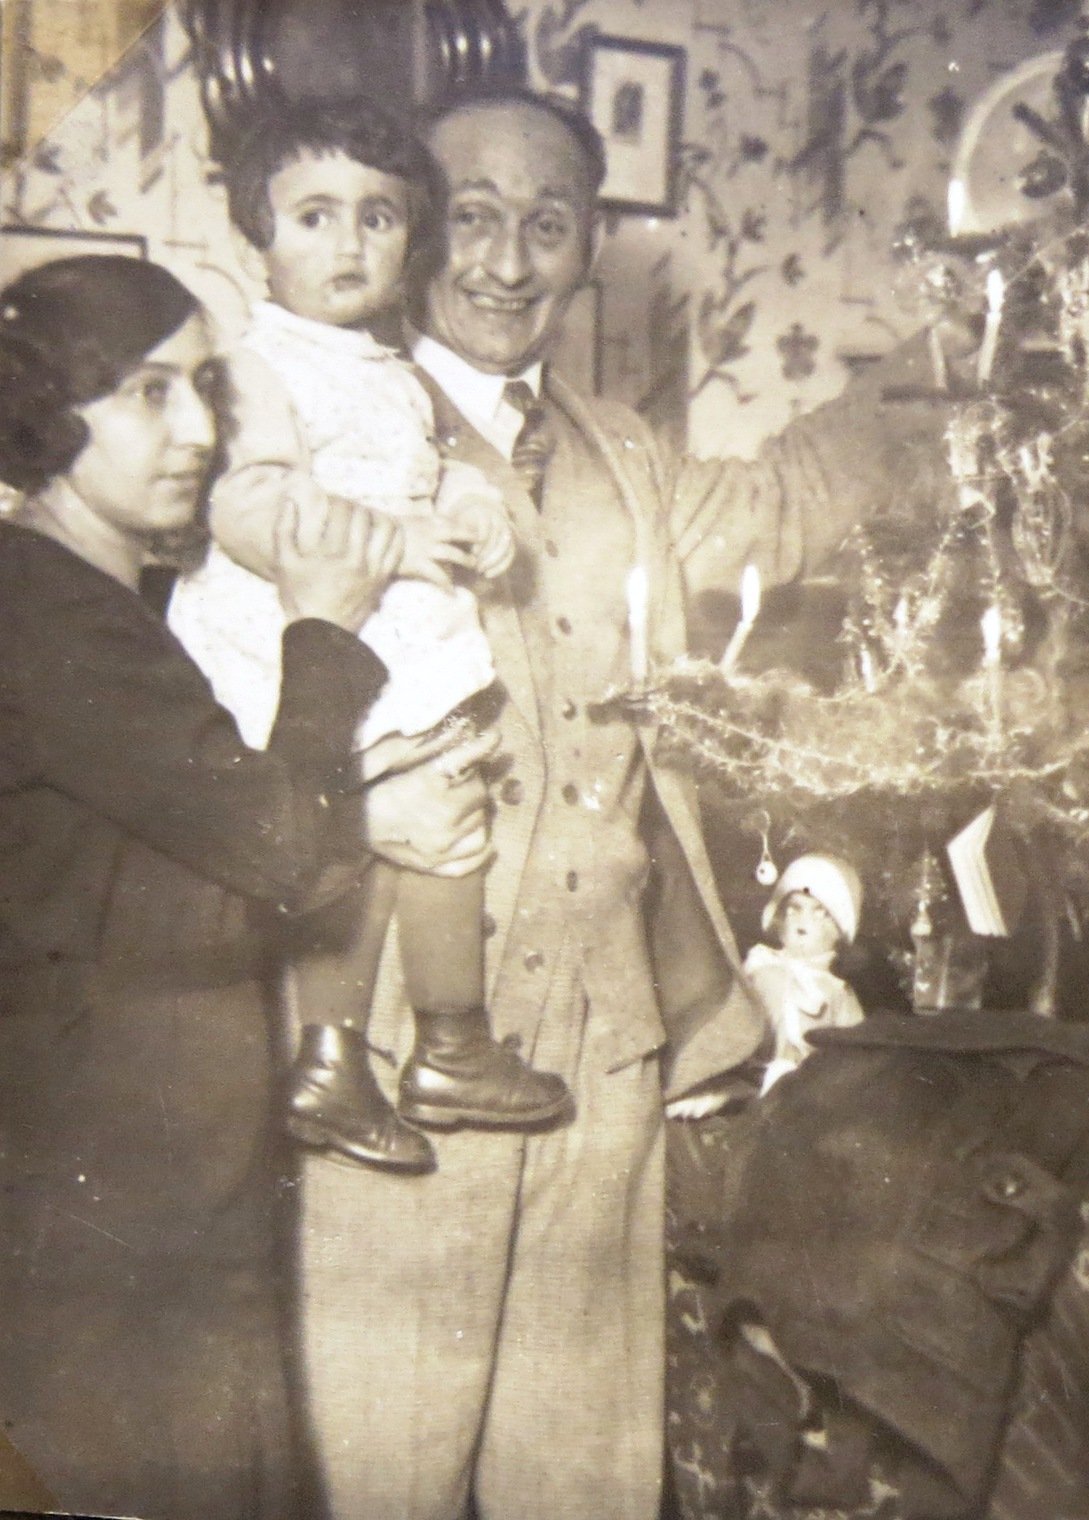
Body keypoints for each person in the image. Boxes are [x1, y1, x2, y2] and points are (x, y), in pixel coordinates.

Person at [194, 87, 931, 1519]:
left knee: (578, 1485)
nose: (506, 261)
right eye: (471, 217)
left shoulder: (622, 452)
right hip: (395, 1045)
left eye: (549, 223)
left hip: (605, 1052)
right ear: (414, 229)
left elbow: (781, 504)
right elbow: (204, 705)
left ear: (591, 245)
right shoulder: (311, 421)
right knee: (380, 1475)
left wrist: (940, 366)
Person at [0, 254, 486, 1519]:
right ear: (47, 406)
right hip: (114, 1168)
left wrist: (356, 811)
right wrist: (324, 625)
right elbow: (282, 853)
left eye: (205, 388)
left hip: (152, 1145)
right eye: (147, 392)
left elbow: (182, 862)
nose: (201, 431)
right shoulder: (49, 610)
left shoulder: (101, 596)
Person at [171, 96, 568, 1175]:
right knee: (390, 837)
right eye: (315, 216)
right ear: (257, 234)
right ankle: (403, 1048)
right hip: (305, 641)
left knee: (419, 833)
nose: (349, 243)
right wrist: (396, 542)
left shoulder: (390, 371)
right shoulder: (256, 369)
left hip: (387, 642)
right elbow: (248, 506)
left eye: (378, 218)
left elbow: (427, 475)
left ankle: (393, 1052)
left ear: (409, 242)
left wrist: (473, 513)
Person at [746, 852, 866, 1093]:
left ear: (839, 929)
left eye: (820, 912)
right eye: (794, 908)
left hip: (810, 1091)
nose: (803, 921)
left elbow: (857, 1054)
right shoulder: (761, 970)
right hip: (754, 1080)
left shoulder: (836, 992)